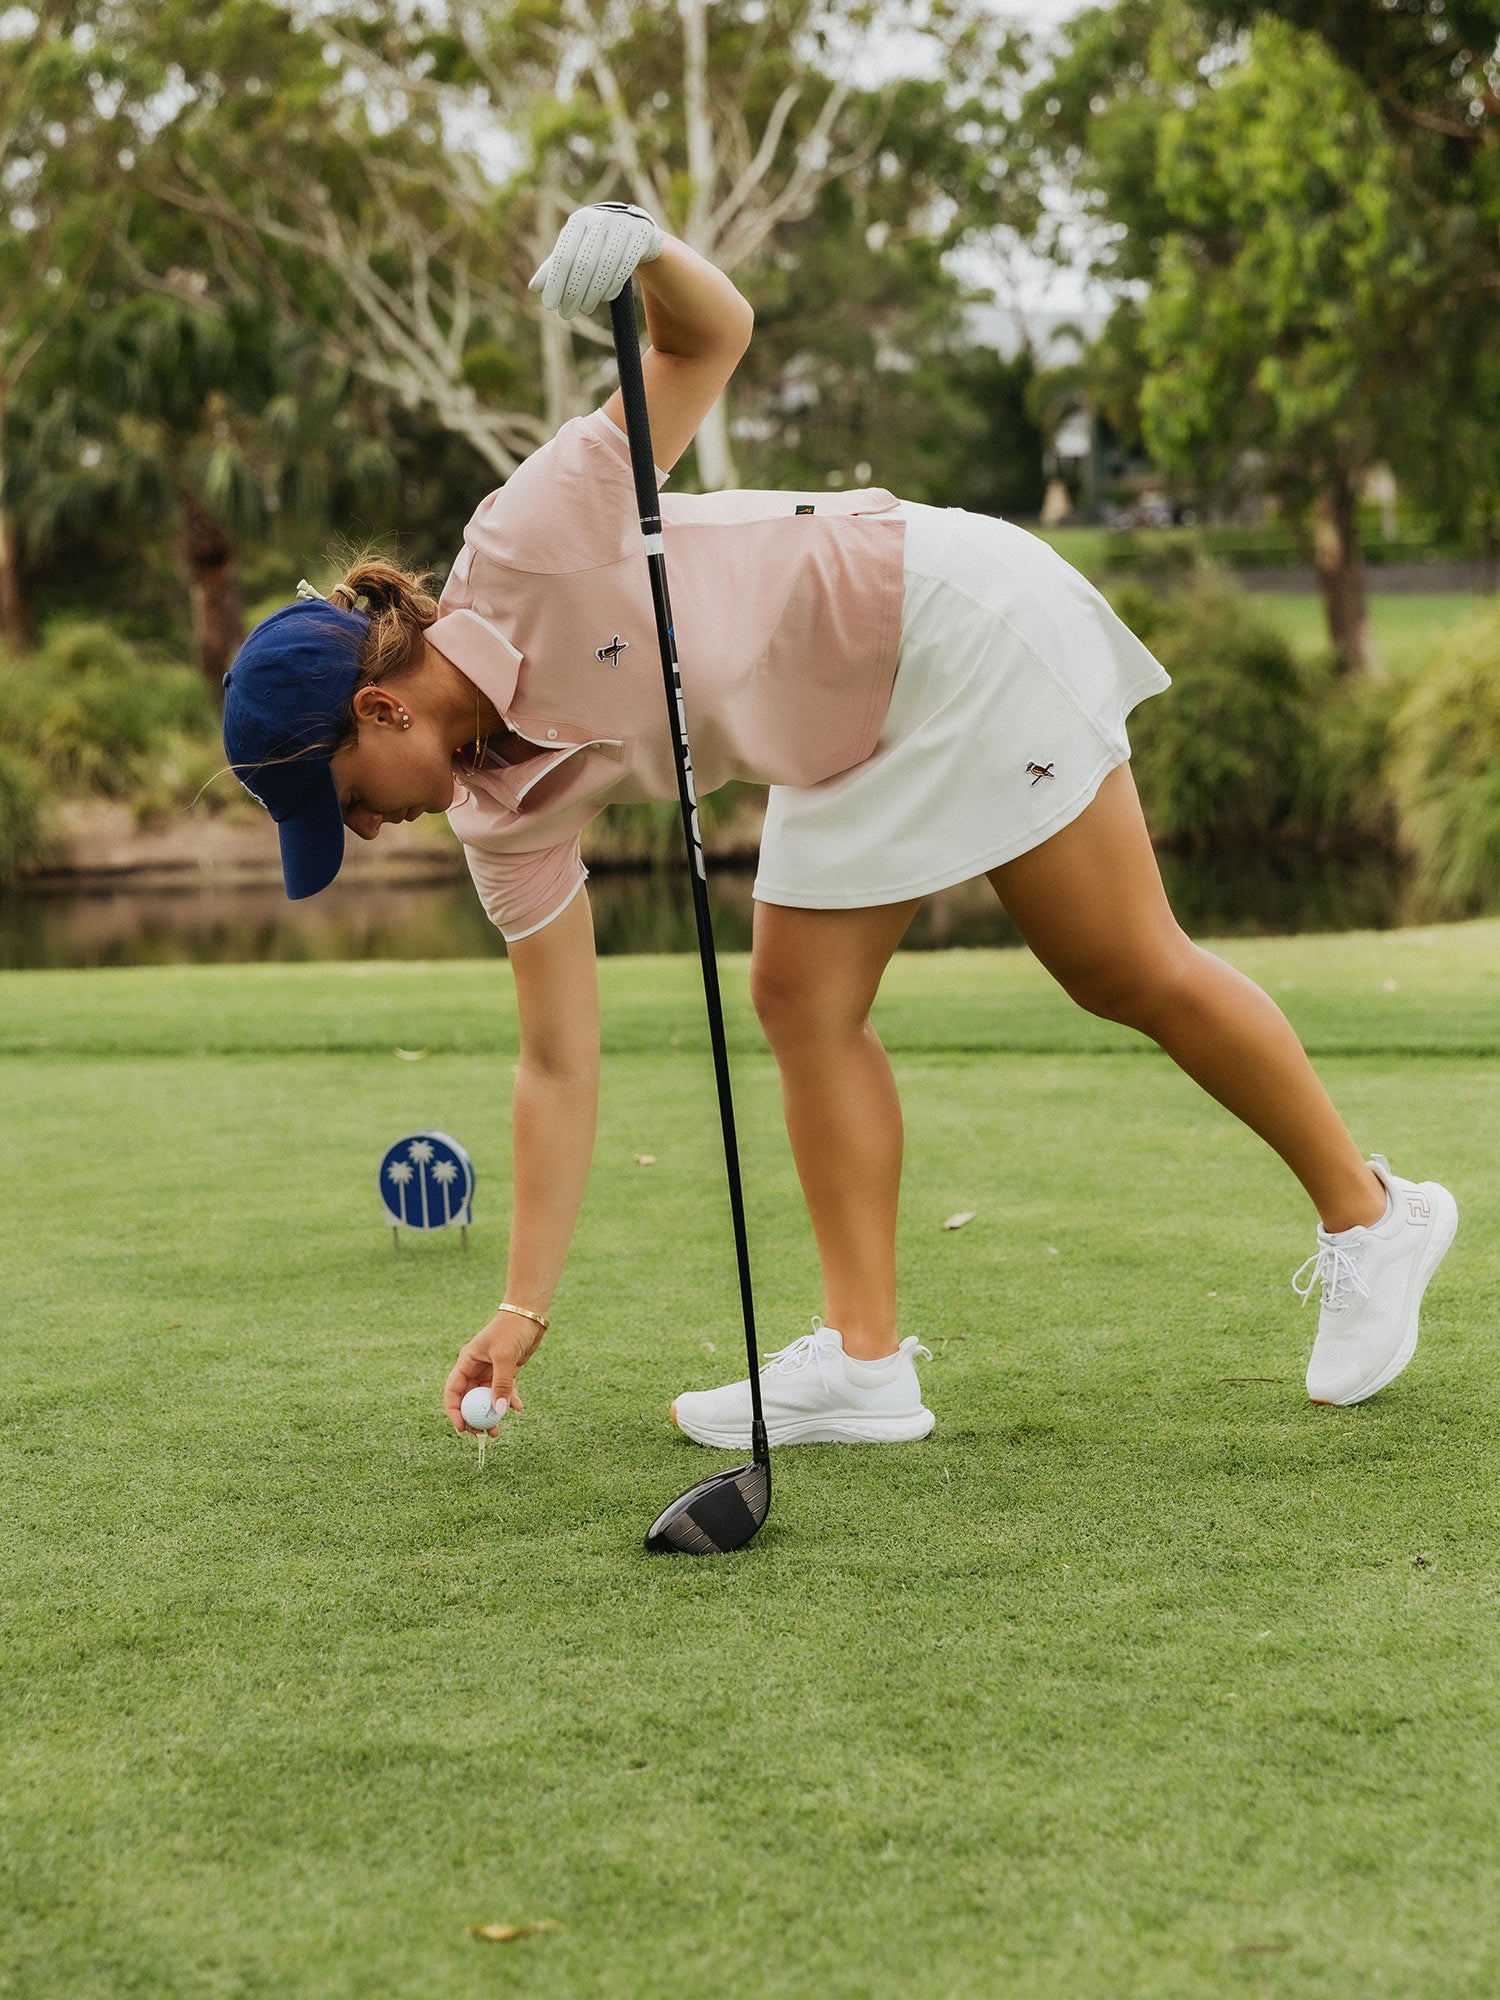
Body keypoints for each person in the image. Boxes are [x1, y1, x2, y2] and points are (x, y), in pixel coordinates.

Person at [221, 203, 1457, 1449]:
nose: (369, 832)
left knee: (1119, 960)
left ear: (380, 706)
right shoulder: (496, 817)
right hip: (834, 734)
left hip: (942, 622)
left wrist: (645, 250)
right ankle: (866, 1365)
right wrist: (520, 1303)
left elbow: (711, 339)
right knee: (801, 997)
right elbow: (555, 1058)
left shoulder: (525, 540)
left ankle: (1373, 1215)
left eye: (348, 800)